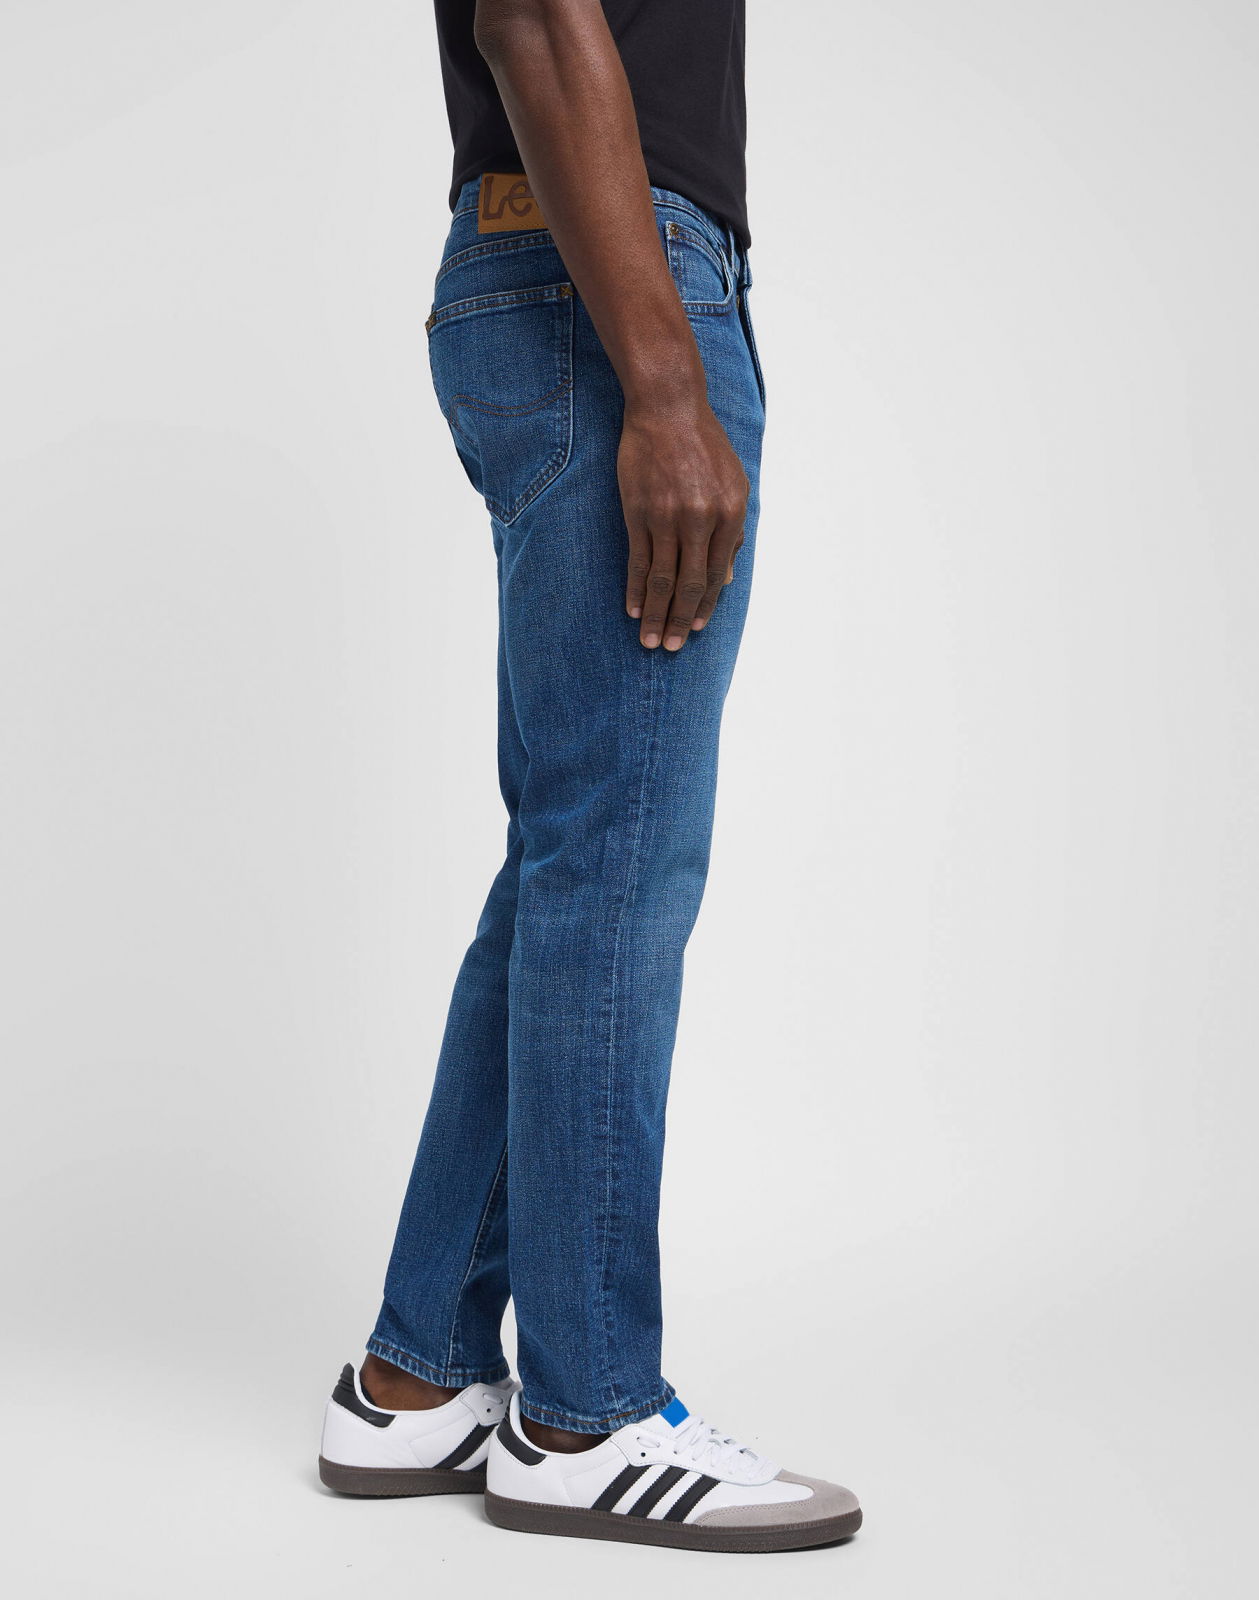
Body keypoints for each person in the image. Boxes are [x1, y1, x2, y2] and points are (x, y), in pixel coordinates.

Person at [317, 0, 861, 1553]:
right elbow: (533, 12)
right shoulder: (636, 333)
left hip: (574, 265)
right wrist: (668, 384)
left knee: (572, 852)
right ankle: (586, 1413)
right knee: (613, 857)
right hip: (609, 281)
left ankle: (417, 1378)